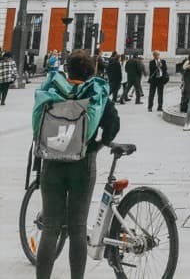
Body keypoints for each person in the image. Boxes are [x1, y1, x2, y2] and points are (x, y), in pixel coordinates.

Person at [33, 49, 120, 279]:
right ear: (91, 71)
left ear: (67, 69)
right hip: (83, 163)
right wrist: (98, 145)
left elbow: (38, 124)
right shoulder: (94, 92)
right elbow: (113, 125)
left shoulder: (53, 88)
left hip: (52, 162)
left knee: (50, 229)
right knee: (77, 229)